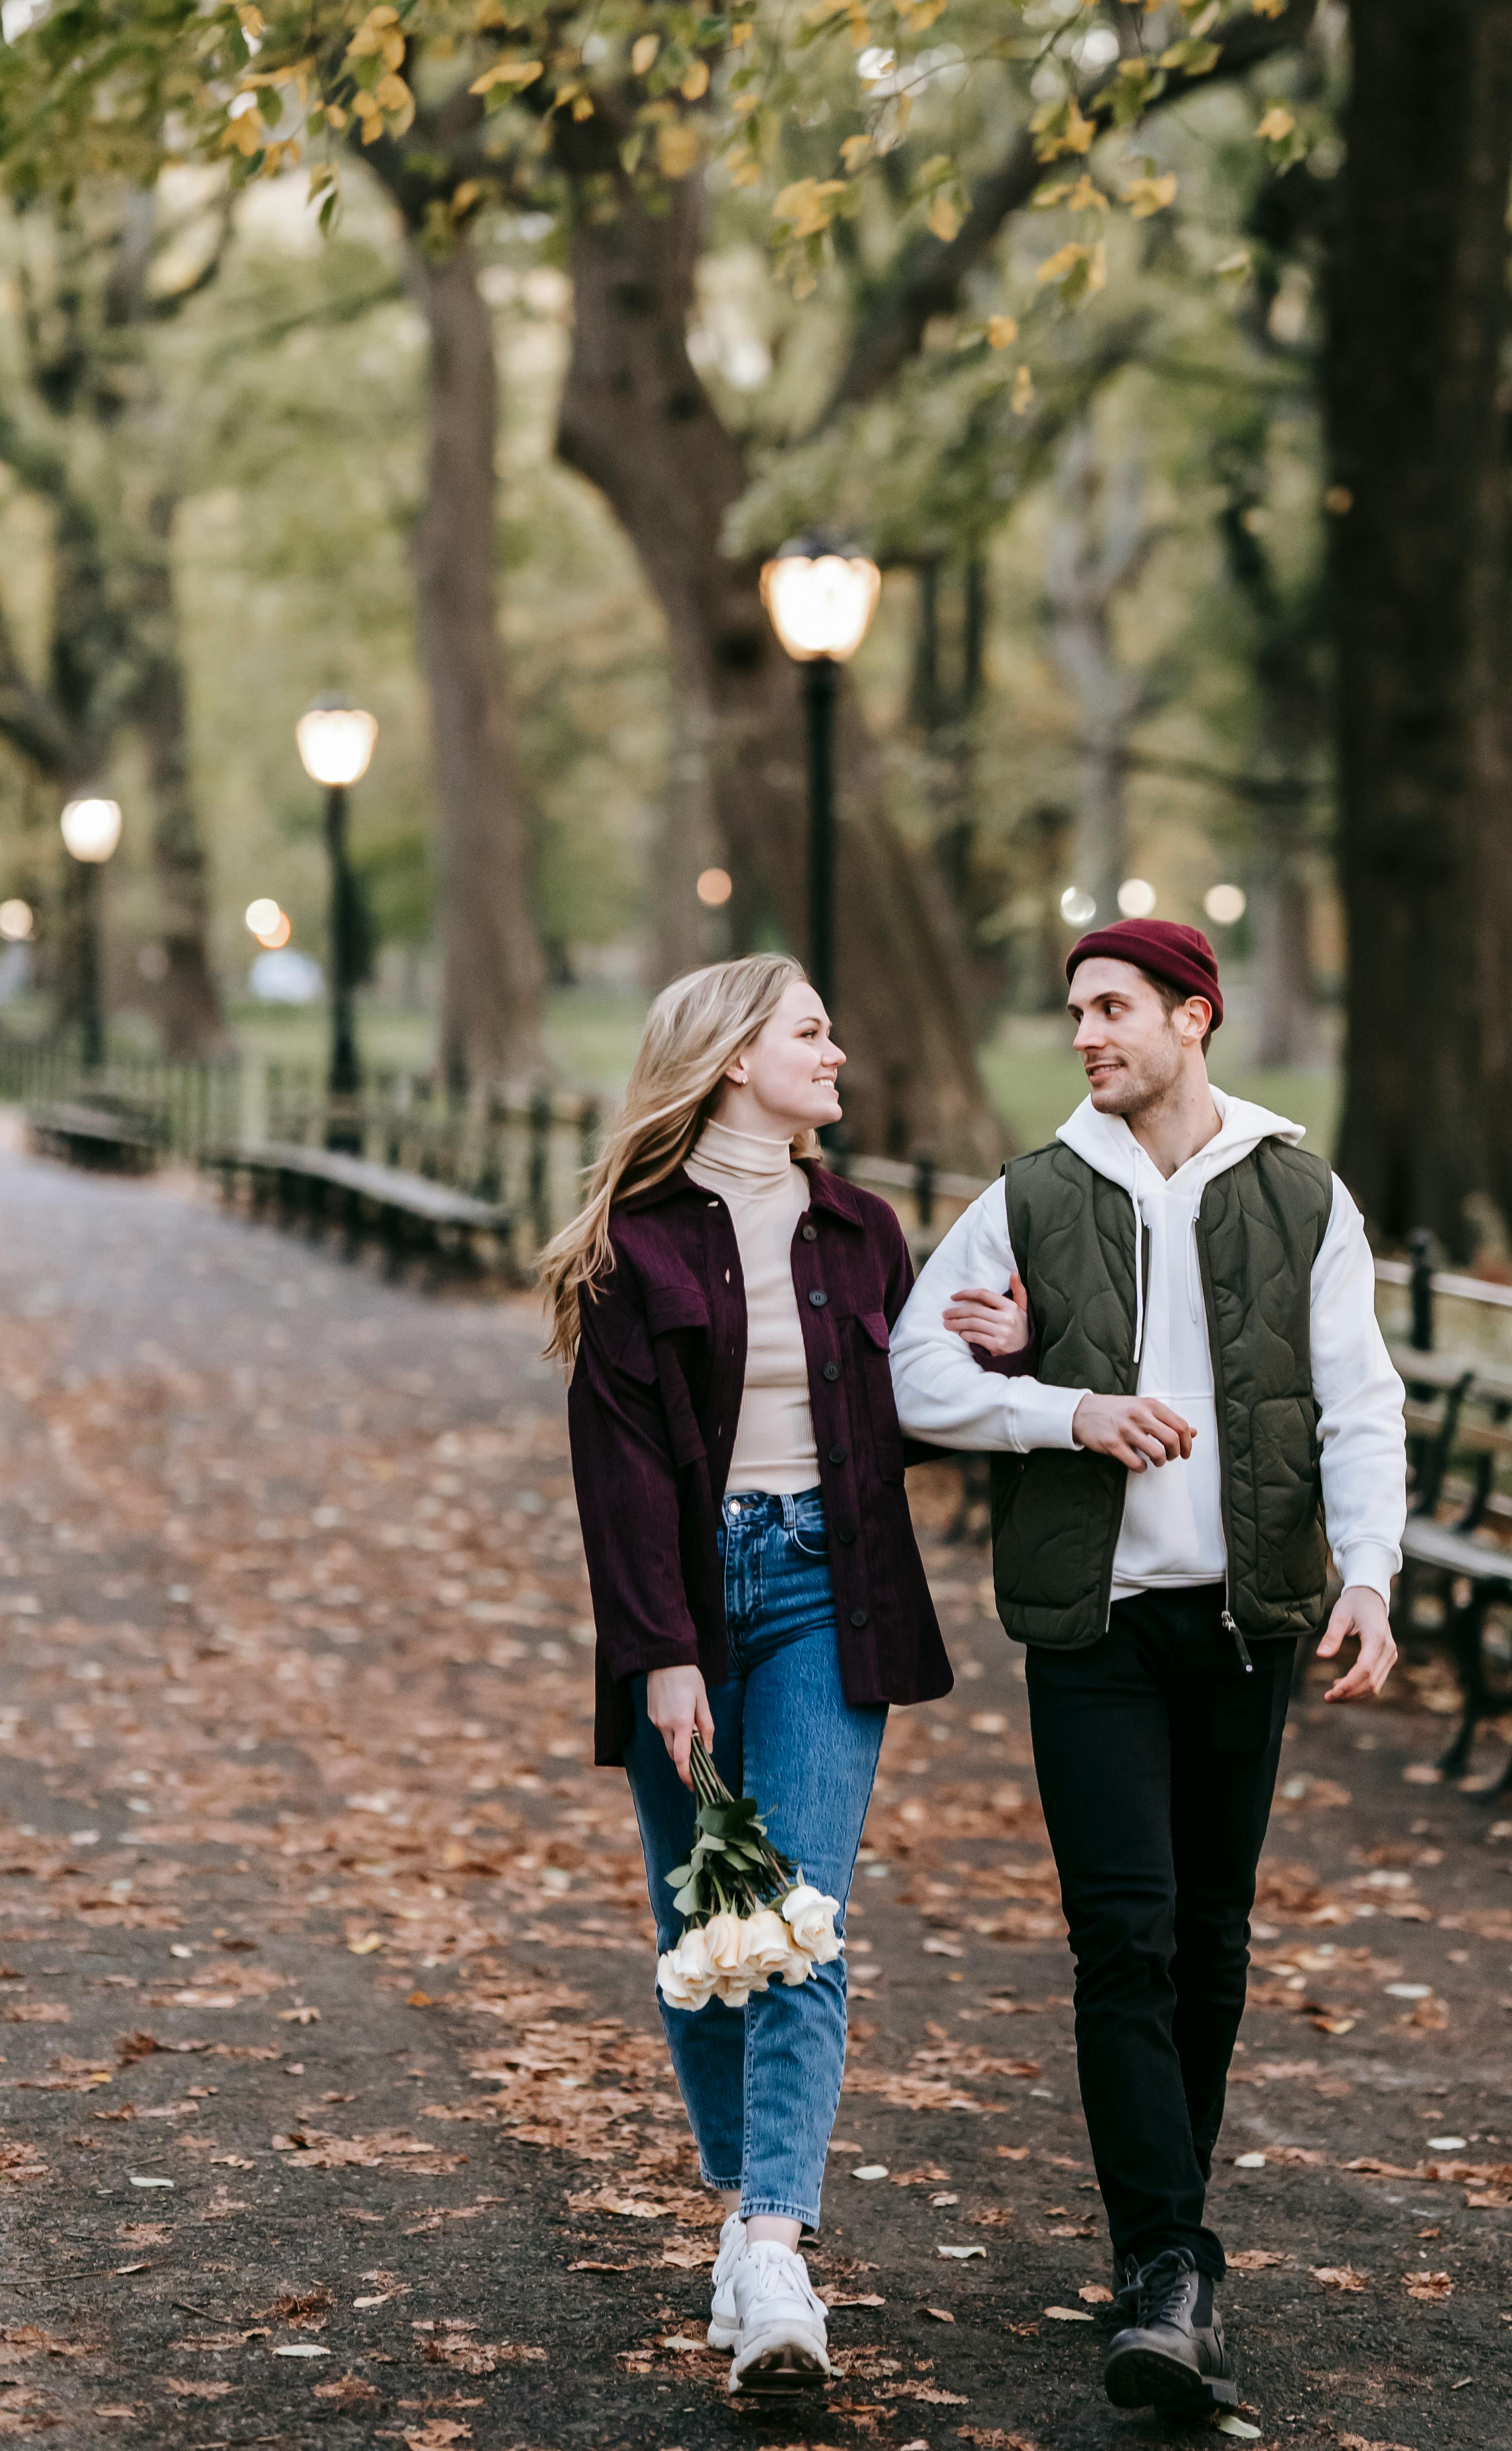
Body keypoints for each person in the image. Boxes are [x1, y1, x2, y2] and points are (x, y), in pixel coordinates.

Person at [890, 918, 1407, 2420]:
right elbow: (917, 1373)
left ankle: (1162, 2251)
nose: (1085, 1035)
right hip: (1097, 1629)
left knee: (1213, 1938)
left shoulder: (1304, 1194)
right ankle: (1170, 2263)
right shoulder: (1031, 1196)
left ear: (1196, 1016)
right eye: (1074, 1012)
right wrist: (1062, 1409)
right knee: (1125, 1937)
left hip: (1247, 1625)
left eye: (1113, 1009)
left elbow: (1359, 1401)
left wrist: (1367, 1576)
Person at [540, 955, 951, 2394]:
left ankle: (774, 2239)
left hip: (831, 1603)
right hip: (693, 1604)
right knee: (706, 1923)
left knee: (799, 1913)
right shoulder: (631, 1250)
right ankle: (742, 2196)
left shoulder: (865, 1231)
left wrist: (981, 1362)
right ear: (731, 1061)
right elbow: (622, 1480)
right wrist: (661, 1656)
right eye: (812, 1031)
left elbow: (904, 1422)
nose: (839, 1052)